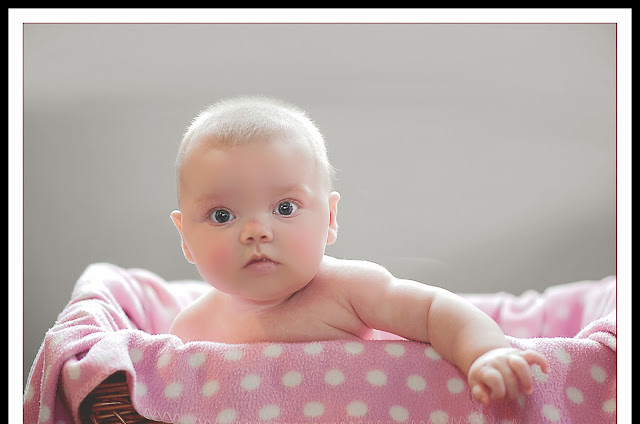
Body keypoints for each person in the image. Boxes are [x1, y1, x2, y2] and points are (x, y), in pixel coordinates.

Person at [169, 96, 549, 406]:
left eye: (285, 208)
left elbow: (436, 311)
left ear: (330, 217)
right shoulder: (190, 330)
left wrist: (484, 354)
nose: (255, 232)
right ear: (185, 236)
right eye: (222, 215)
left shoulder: (349, 289)